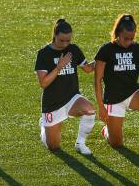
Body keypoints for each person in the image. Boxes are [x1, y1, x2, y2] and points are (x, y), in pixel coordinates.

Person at [94, 14, 139, 155]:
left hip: (133, 93)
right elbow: (97, 80)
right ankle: (107, 130)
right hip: (113, 98)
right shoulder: (106, 50)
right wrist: (101, 106)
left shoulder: (137, 49)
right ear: (118, 33)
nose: (129, 42)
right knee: (117, 143)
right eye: (126, 39)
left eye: (132, 39)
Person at [35, 19, 96, 155]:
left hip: (71, 97)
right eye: (62, 40)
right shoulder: (43, 54)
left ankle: (80, 143)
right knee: (53, 146)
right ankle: (43, 127)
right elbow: (43, 83)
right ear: (55, 35)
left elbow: (87, 68)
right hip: (52, 103)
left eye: (68, 40)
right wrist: (59, 67)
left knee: (90, 110)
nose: (65, 44)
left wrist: (103, 57)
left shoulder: (73, 49)